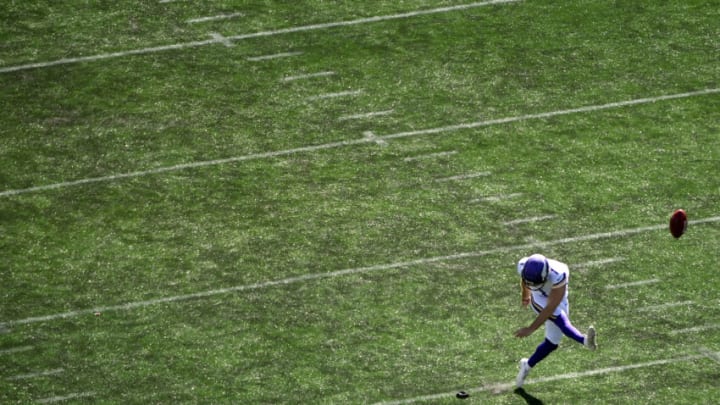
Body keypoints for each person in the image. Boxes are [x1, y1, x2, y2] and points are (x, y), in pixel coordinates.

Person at [514, 253, 597, 388]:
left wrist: (531, 328)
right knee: (560, 319)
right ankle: (585, 340)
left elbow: (551, 306)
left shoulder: (558, 274)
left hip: (557, 296)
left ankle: (527, 365)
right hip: (539, 298)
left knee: (552, 342)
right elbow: (525, 281)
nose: (533, 285)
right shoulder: (523, 266)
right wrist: (526, 295)